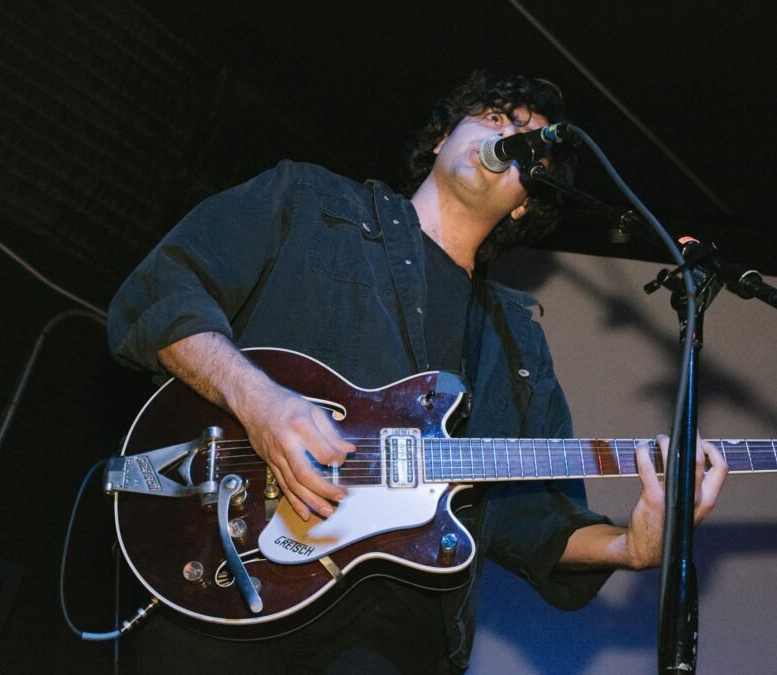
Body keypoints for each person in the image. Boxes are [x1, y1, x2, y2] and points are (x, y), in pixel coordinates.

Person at [108, 70, 727, 673]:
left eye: (530, 142)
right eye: (494, 118)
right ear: (441, 140)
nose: (508, 136)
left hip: (392, 635)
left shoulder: (517, 347)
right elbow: (163, 292)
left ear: (525, 204)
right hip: (228, 566)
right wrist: (260, 403)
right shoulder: (309, 199)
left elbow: (533, 524)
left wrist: (631, 547)